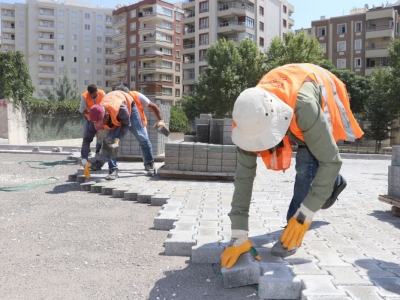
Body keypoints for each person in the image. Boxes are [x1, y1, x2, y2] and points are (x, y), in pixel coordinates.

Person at [221, 63, 364, 269]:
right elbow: (243, 177)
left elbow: (331, 160)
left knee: (307, 165)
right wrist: (238, 234)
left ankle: (292, 230)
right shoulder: (249, 116)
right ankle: (334, 182)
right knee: (312, 168)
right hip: (287, 96)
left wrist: (305, 215)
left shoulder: (305, 107)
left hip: (320, 89)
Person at [80, 89, 160, 180]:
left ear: (106, 116)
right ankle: (113, 170)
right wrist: (84, 159)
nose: (100, 126)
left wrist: (117, 138)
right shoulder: (96, 115)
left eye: (101, 123)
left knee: (141, 136)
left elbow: (126, 125)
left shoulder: (121, 109)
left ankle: (149, 163)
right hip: (112, 106)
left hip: (128, 106)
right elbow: (87, 139)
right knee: (109, 141)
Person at [79, 84, 105, 155]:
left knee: (99, 134)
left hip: (99, 119)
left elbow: (106, 105)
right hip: (88, 118)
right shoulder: (84, 96)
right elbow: (82, 109)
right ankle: (87, 150)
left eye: (94, 94)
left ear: (96, 91)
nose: (92, 96)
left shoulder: (102, 93)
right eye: (91, 94)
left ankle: (98, 151)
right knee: (85, 134)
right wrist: (92, 112)